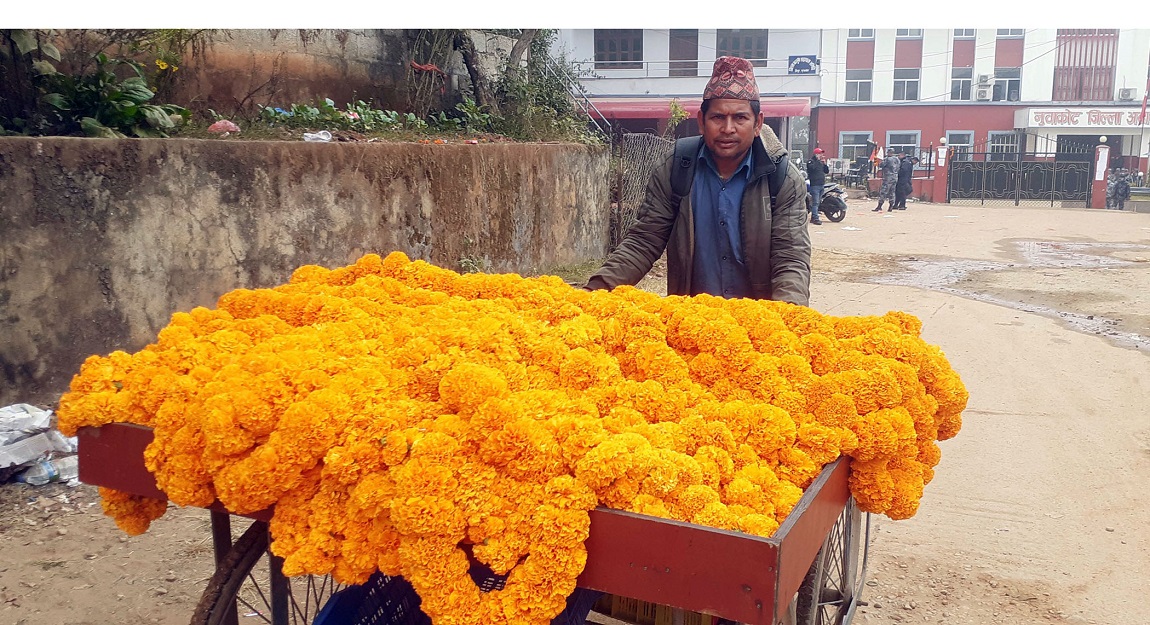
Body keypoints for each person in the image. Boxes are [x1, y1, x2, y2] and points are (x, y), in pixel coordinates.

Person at [584, 55, 812, 307]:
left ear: (757, 123)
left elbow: (790, 257)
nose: (728, 128)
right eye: (717, 118)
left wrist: (788, 317)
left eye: (740, 118)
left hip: (757, 327)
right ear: (701, 122)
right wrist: (595, 293)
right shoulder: (676, 167)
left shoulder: (781, 177)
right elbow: (644, 240)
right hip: (691, 321)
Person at [806, 148, 830, 225]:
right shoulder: (811, 162)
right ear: (816, 154)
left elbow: (826, 171)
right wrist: (817, 161)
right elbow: (811, 168)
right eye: (820, 154)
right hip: (815, 185)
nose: (821, 155)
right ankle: (814, 218)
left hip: (821, 184)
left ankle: (815, 214)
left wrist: (824, 164)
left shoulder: (820, 163)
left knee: (818, 202)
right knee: (815, 202)